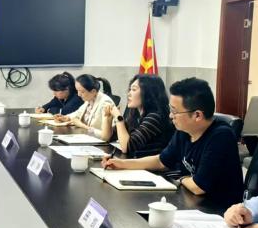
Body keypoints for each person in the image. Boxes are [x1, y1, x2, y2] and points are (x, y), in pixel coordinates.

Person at [103, 77, 243, 207]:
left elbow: (198, 187)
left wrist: (181, 178)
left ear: (197, 115)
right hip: (190, 200)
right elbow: (161, 161)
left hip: (217, 209)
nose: (170, 116)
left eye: (175, 112)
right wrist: (122, 164)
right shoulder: (185, 130)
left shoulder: (221, 136)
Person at [109, 74, 174, 157]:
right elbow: (108, 137)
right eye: (129, 90)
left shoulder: (155, 117)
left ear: (148, 93)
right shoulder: (135, 115)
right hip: (137, 161)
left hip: (151, 164)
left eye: (134, 89)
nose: (128, 94)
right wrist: (108, 118)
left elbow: (127, 148)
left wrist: (118, 117)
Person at [55, 74, 116, 140]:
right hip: (87, 137)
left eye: (82, 92)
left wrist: (82, 126)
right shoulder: (90, 99)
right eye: (77, 91)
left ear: (93, 91)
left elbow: (106, 136)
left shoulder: (105, 103)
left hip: (99, 141)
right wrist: (67, 117)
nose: (79, 94)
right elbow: (78, 113)